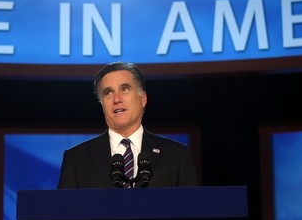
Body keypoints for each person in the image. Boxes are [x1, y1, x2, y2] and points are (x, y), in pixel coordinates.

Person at [57, 62, 198, 189]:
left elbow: (192, 206)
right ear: (102, 104)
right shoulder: (76, 159)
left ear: (143, 99)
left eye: (124, 89)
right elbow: (64, 208)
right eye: (108, 92)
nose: (116, 99)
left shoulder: (176, 156)